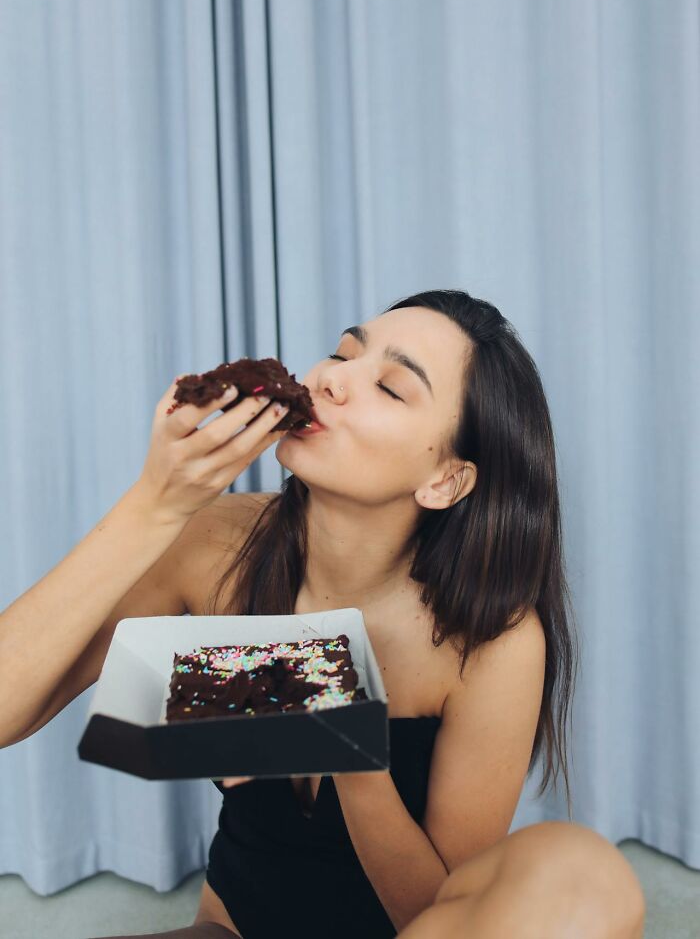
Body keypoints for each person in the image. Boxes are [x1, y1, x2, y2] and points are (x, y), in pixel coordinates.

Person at [1, 289, 645, 938]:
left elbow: (446, 917)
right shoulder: (214, 544)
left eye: (391, 388)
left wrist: (346, 749)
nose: (332, 379)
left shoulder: (492, 637)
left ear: (445, 479)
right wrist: (155, 506)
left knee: (583, 877)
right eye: (341, 353)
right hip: (235, 930)